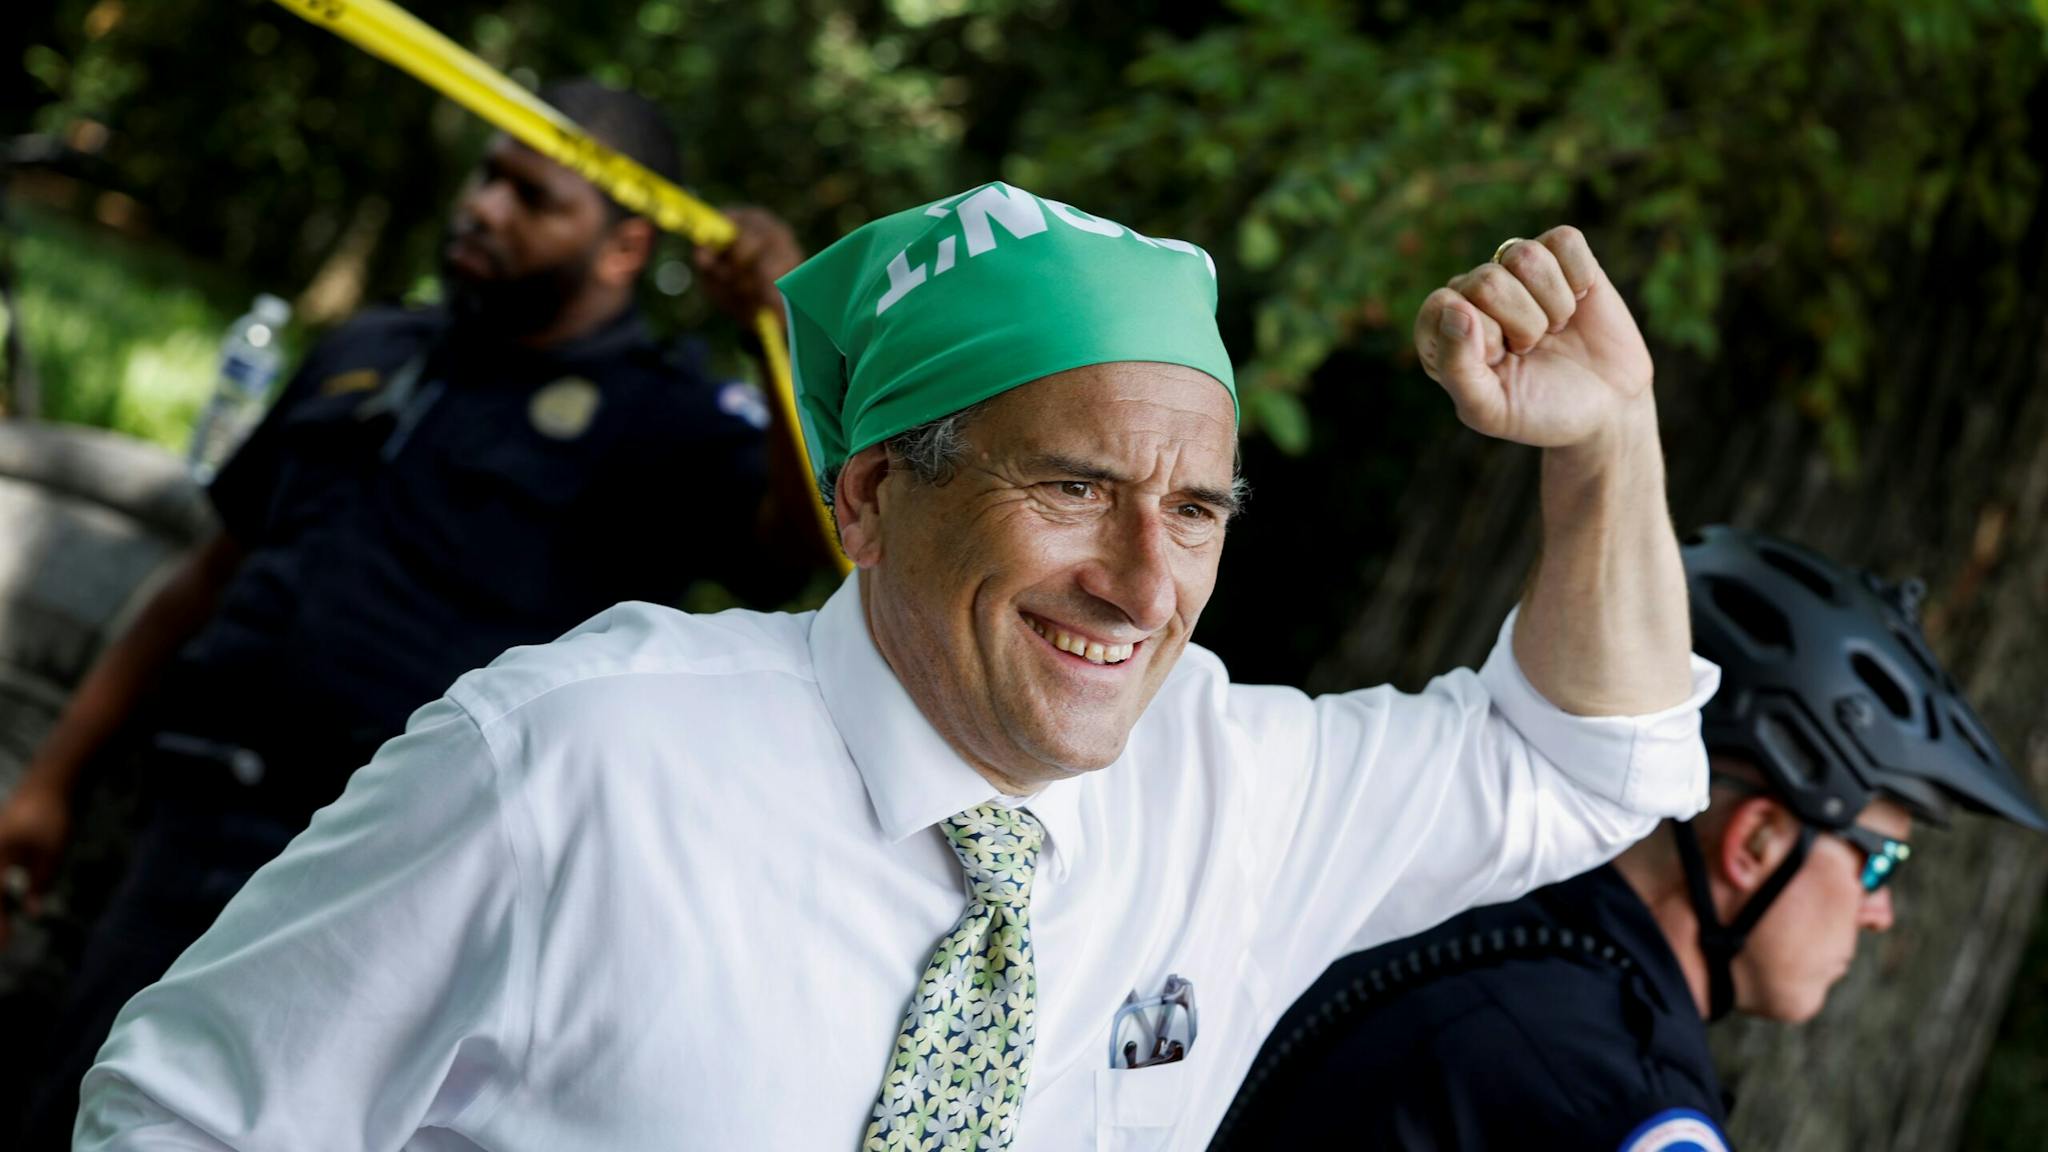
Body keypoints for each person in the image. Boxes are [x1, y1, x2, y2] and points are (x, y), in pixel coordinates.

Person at [75, 185, 1718, 1151]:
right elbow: (183, 1119)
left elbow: (1594, 757)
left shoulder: (1238, 787)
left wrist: (1608, 443)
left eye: (1195, 506)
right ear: (868, 496)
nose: (1144, 581)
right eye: (1071, 487)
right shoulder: (577, 757)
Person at [0, 78, 814, 1146]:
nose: (483, 207)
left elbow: (793, 553)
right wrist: (53, 780)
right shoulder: (370, 348)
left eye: (532, 196)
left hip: (386, 870)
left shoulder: (661, 421)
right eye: (486, 175)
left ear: (622, 249)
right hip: (185, 818)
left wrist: (779, 333)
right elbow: (209, 575)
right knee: (76, 1105)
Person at [1210, 525, 2048, 1152]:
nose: (1881, 914)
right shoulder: (1619, 1100)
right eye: (1878, 862)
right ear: (1755, 842)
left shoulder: (1436, 907)